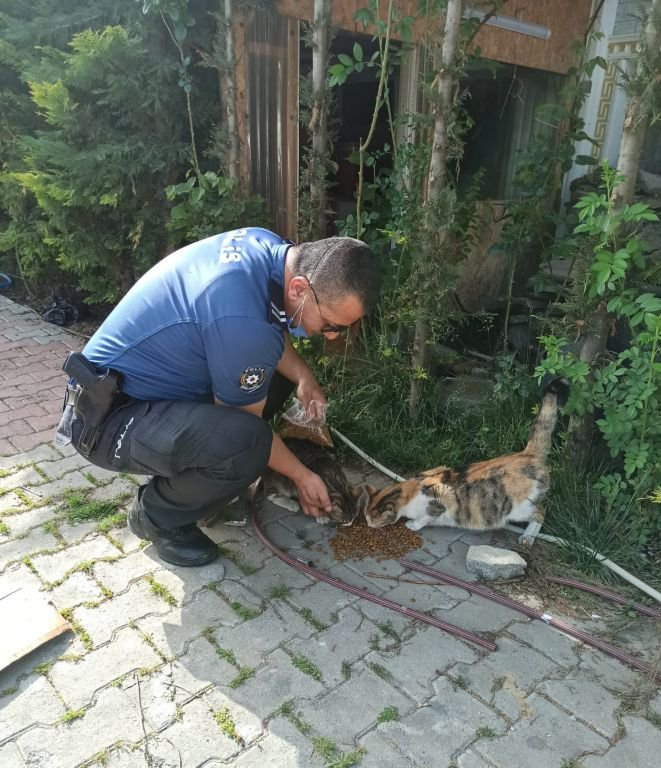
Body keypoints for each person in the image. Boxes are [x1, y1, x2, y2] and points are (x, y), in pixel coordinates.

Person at [55, 227, 380, 567]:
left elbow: (266, 325)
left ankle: (195, 471)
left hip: (140, 393)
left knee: (277, 382)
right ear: (300, 288)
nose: (330, 337)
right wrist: (302, 476)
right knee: (245, 444)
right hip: (108, 420)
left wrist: (303, 376)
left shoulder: (272, 253)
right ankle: (155, 516)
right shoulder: (242, 320)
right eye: (332, 324)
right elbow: (248, 410)